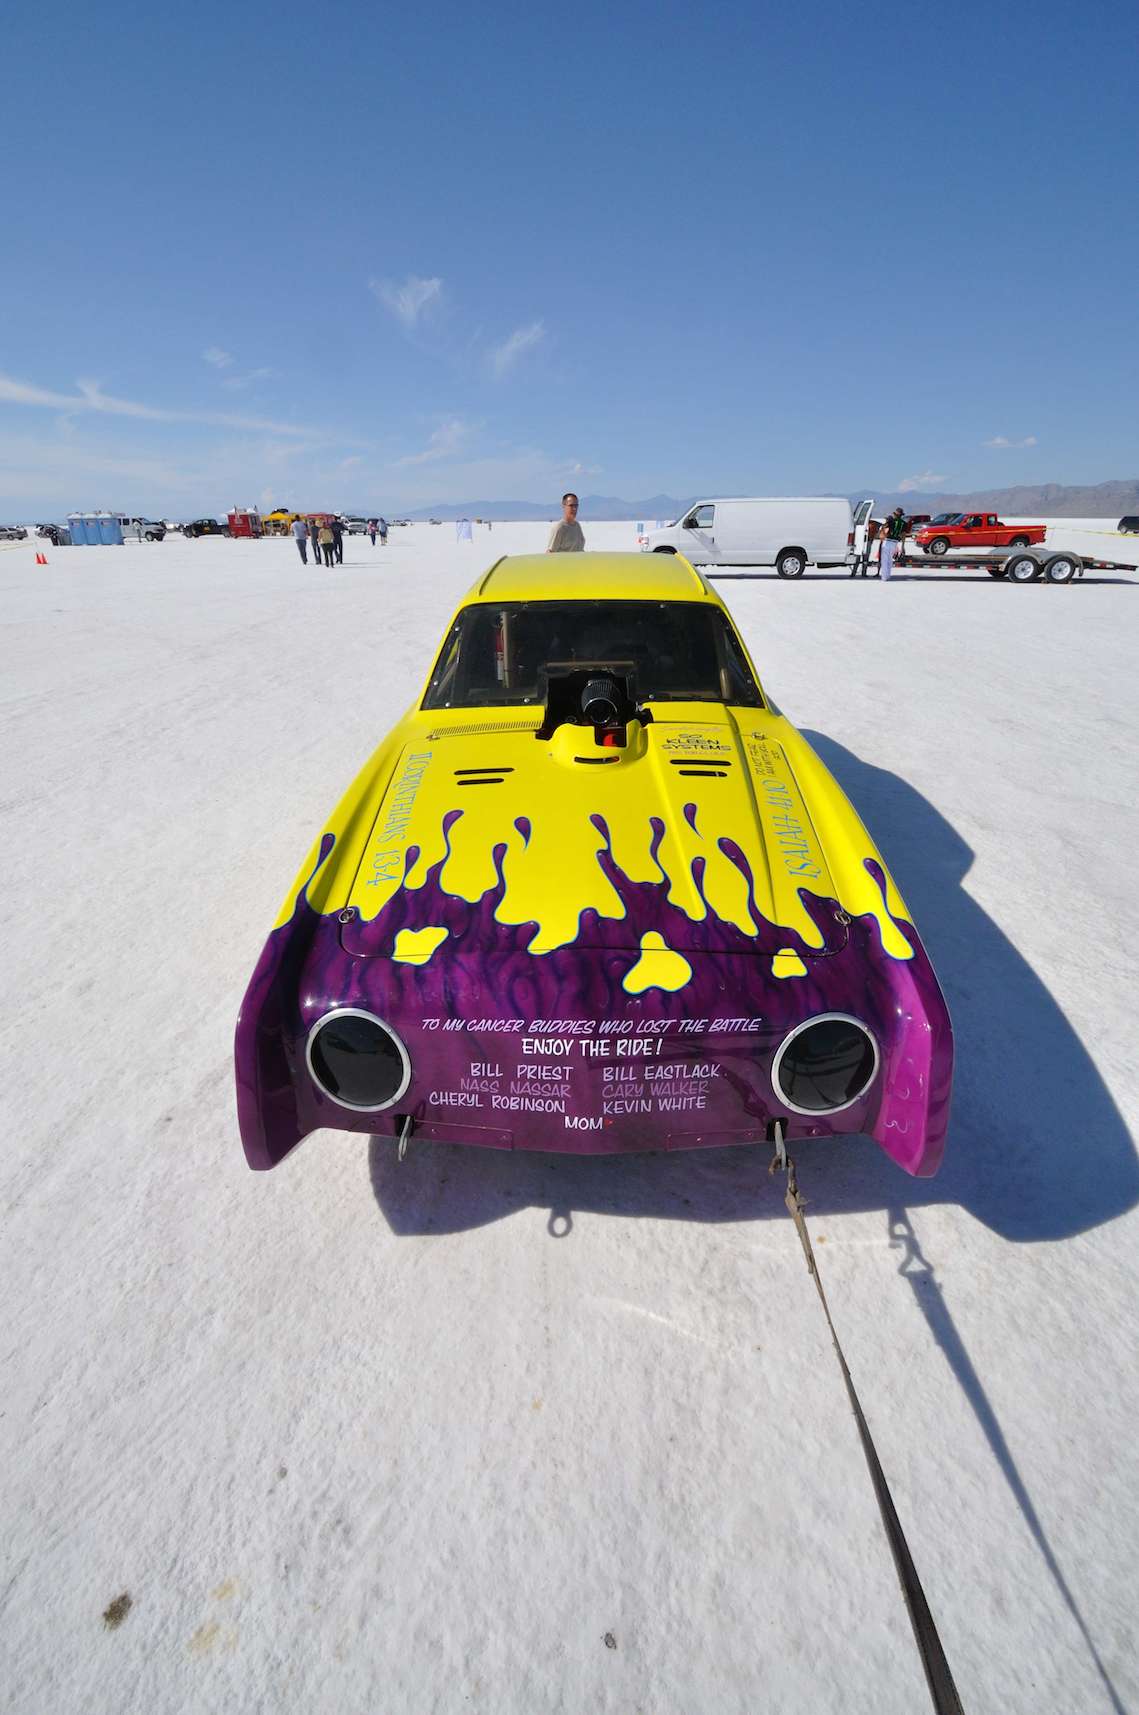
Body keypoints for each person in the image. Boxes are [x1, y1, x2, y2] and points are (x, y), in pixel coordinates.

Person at [879, 507, 907, 581]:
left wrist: (883, 534)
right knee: (890, 560)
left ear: (895, 514)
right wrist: (903, 546)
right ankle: (888, 575)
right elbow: (903, 535)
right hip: (895, 543)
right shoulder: (904, 523)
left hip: (887, 541)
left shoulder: (891, 521)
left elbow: (883, 527)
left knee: (884, 560)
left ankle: (884, 577)